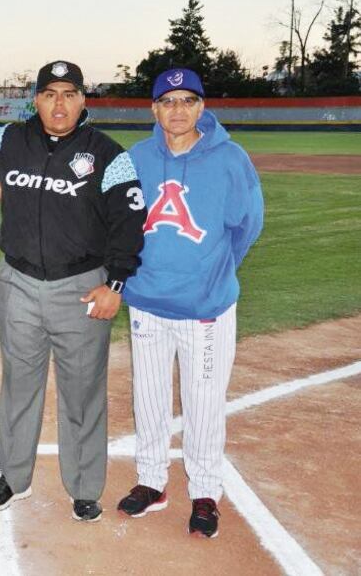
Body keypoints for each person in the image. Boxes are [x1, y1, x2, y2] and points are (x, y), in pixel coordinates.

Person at [0, 60, 147, 521]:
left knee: (82, 390)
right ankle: (14, 478)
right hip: (17, 281)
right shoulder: (6, 140)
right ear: (34, 99)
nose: (59, 103)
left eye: (69, 93)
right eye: (50, 93)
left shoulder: (109, 154)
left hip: (81, 286)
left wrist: (115, 284)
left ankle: (85, 486)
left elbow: (129, 223)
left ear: (83, 99)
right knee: (19, 385)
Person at [116, 68, 264, 538]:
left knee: (203, 402)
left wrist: (215, 271)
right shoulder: (138, 157)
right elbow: (119, 222)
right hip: (146, 302)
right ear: (154, 109)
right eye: (168, 101)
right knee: (150, 398)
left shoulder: (230, 159)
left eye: (187, 100)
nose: (177, 110)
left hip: (205, 308)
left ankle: (204, 491)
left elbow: (248, 226)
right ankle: (151, 481)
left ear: (201, 107)